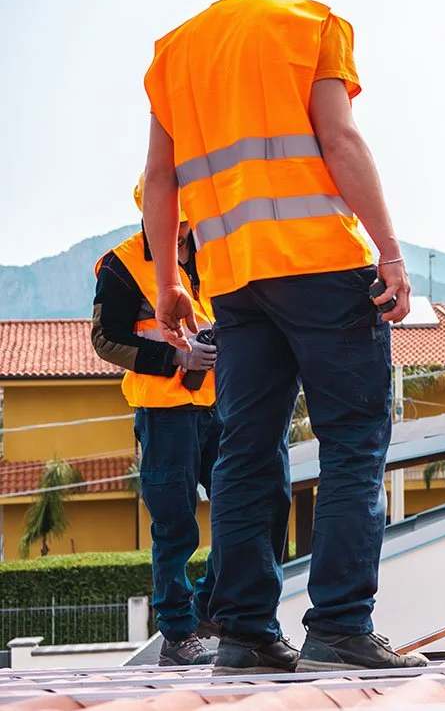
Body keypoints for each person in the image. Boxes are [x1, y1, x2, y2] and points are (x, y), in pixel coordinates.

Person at [139, 0, 424, 675]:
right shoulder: (315, 24)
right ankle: (337, 623)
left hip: (234, 281)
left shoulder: (175, 50)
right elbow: (340, 138)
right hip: (321, 265)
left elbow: (161, 178)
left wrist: (170, 280)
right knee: (355, 440)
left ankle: (244, 633)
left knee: (246, 452)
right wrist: (391, 253)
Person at [90, 174, 220, 667]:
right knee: (174, 526)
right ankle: (178, 633)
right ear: (152, 214)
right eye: (176, 222)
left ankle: (212, 611)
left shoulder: (212, 254)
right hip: (164, 413)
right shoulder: (123, 264)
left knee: (249, 507)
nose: (183, 232)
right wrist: (175, 360)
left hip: (218, 406)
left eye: (189, 222)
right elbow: (106, 339)